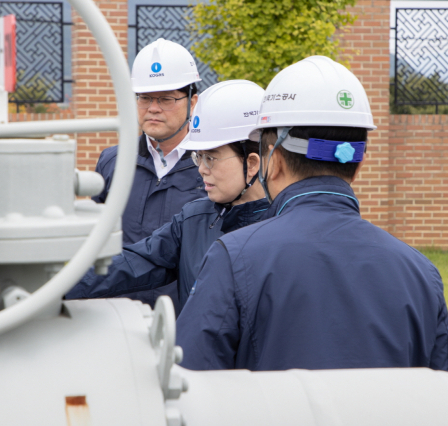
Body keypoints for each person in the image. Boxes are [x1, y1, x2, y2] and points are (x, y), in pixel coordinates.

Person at [177, 55, 448, 371]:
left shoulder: (233, 259)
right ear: (356, 162)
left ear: (272, 160)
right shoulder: (422, 275)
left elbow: (186, 385)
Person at [67, 80, 269, 312]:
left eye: (210, 158)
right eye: (198, 157)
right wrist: (54, 285)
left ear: (252, 163)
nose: (202, 168)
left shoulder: (288, 227)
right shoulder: (193, 219)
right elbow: (134, 264)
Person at [92, 38, 207, 308]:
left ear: (193, 101)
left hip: (183, 322)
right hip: (118, 317)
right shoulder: (113, 162)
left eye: (166, 99)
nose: (153, 108)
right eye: (144, 98)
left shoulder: (210, 167)